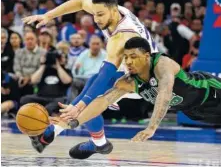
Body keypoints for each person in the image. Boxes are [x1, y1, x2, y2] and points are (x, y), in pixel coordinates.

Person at [22, 0, 158, 159]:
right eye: (95, 14)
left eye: (100, 14)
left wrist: (79, 105)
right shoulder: (112, 10)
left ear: (113, 11)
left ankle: (51, 134)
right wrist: (49, 15)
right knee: (91, 87)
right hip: (129, 71)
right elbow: (79, 2)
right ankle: (98, 143)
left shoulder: (122, 38)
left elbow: (105, 75)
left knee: (90, 96)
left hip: (146, 82)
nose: (97, 19)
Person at [55, 37, 221, 142]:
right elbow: (103, 101)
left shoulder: (163, 65)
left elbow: (164, 95)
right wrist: (75, 122)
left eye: (133, 57)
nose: (128, 62)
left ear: (147, 56)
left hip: (211, 90)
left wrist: (151, 127)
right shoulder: (128, 81)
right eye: (126, 57)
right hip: (193, 110)